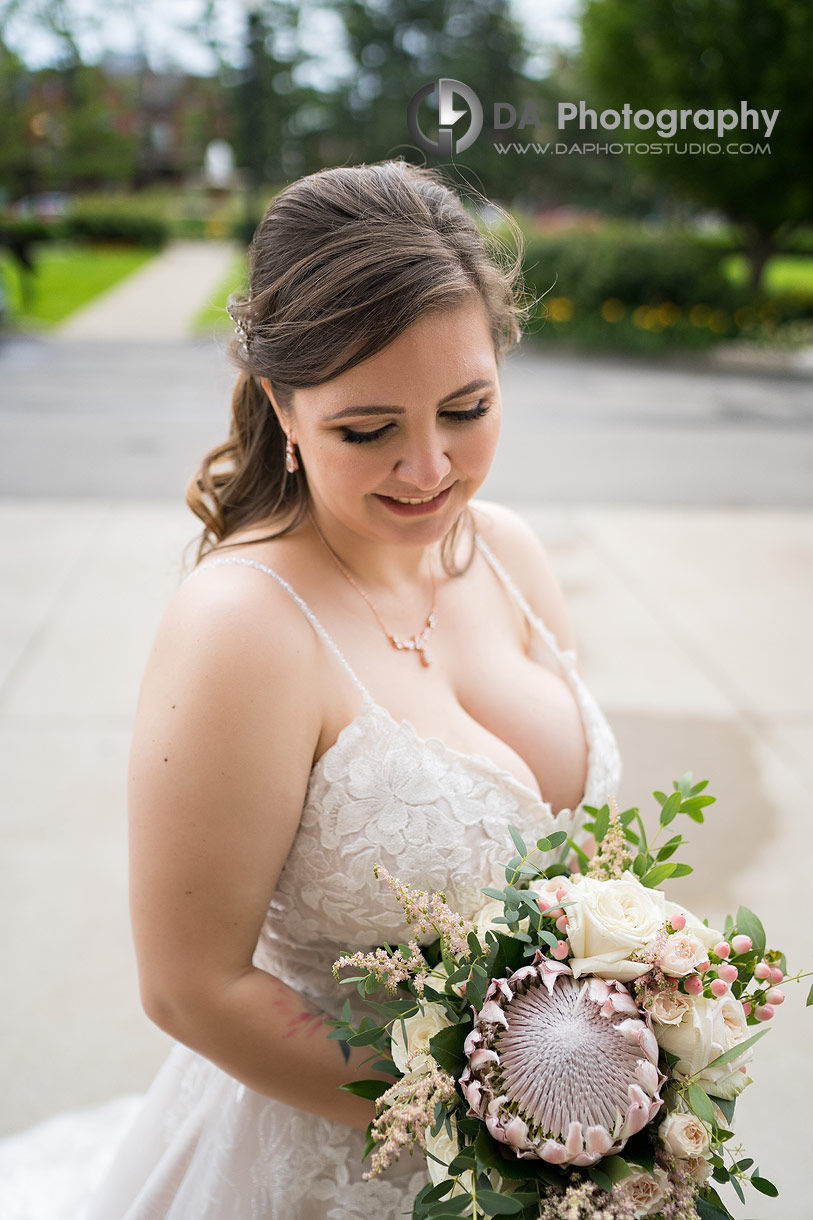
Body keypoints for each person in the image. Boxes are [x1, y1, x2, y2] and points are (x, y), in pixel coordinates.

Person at [22, 159, 622, 1220]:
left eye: (468, 406)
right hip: (340, 1166)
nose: (430, 465)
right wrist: (488, 1114)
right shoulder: (242, 625)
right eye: (368, 428)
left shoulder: (509, 552)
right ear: (280, 408)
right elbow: (191, 986)